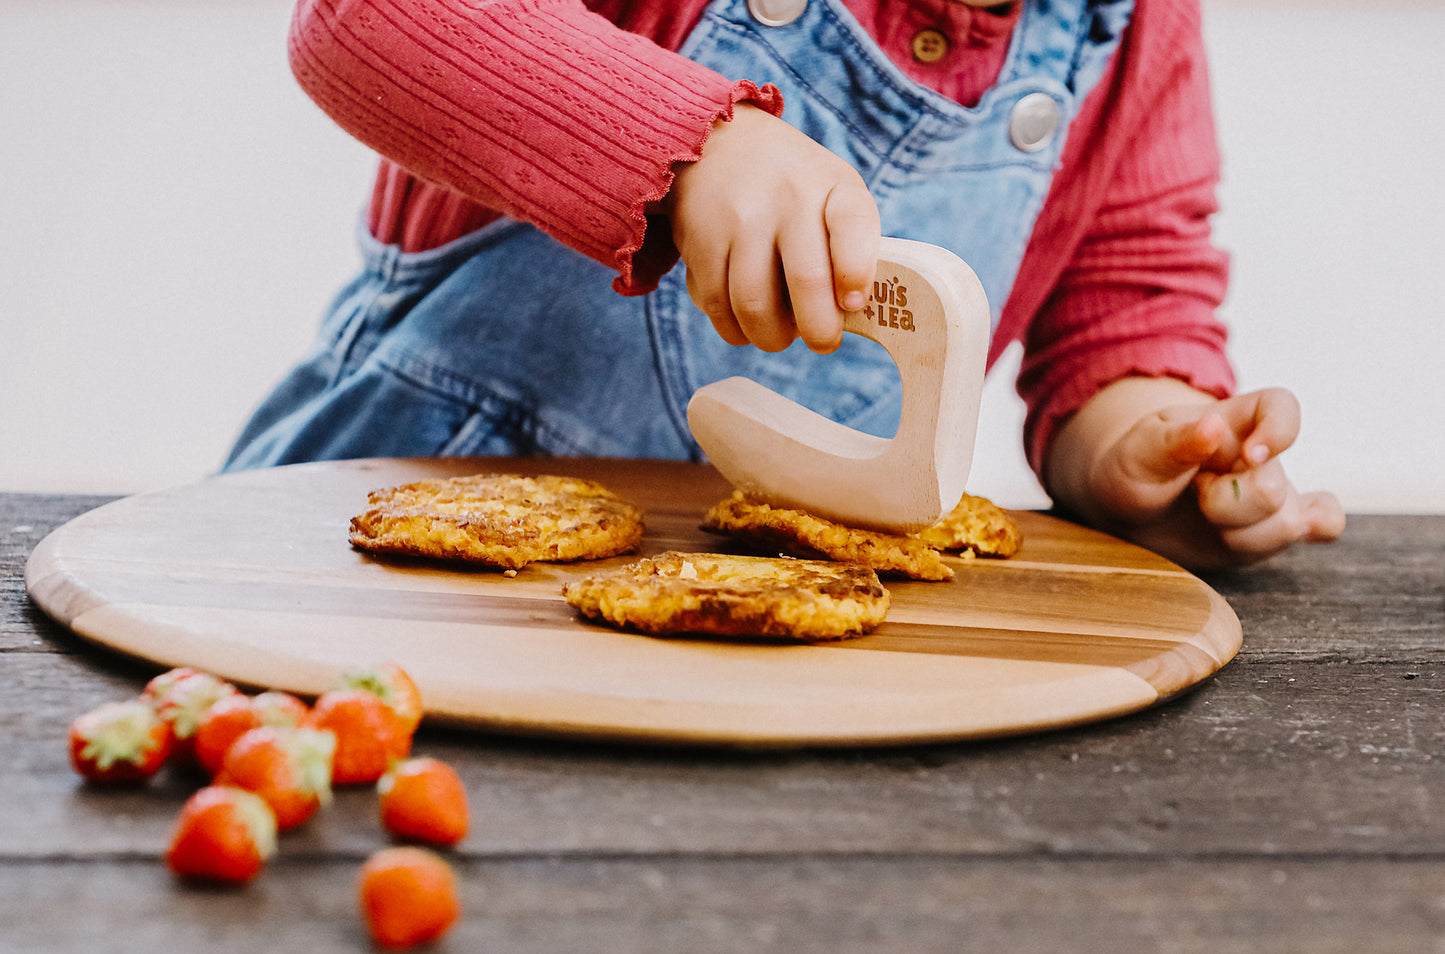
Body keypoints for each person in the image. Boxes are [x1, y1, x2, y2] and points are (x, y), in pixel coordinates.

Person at [225, 0, 1344, 569]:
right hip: (377, 581)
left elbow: (1126, 295)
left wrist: (1154, 443)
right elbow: (364, 23)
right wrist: (686, 147)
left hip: (747, 642)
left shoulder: (1130, 27)